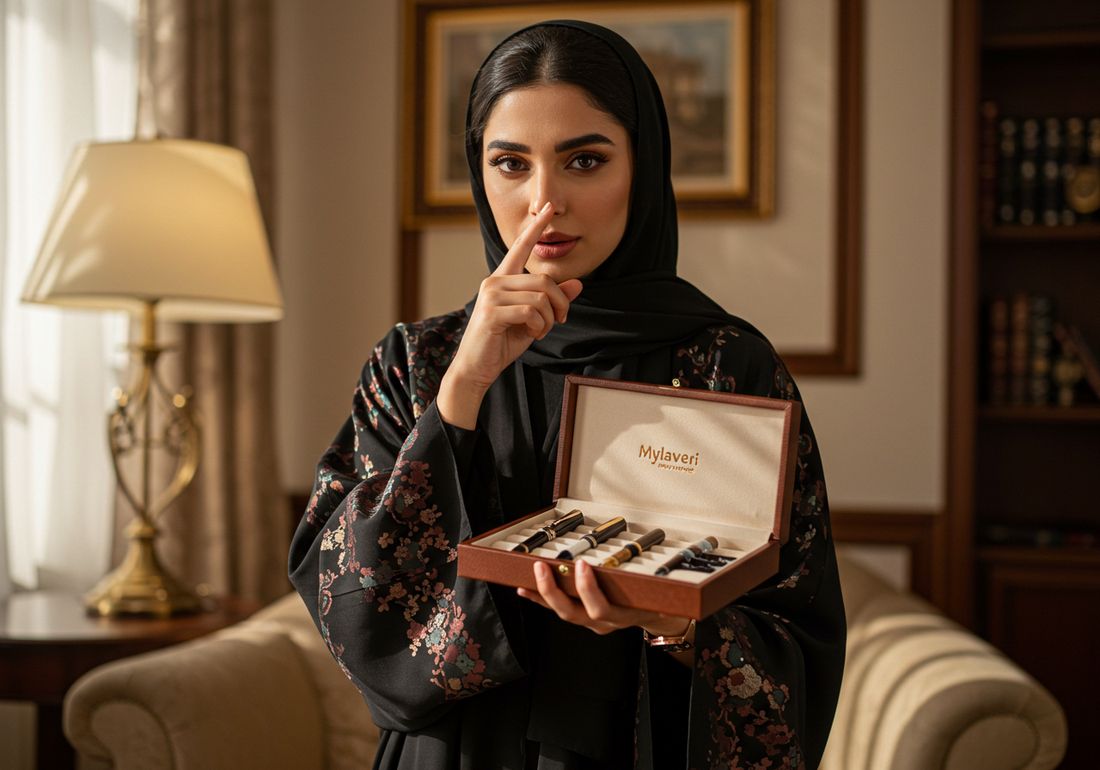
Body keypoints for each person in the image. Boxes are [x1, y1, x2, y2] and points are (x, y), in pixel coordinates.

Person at [289, 20, 845, 770]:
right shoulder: (415, 365)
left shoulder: (727, 367)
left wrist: (673, 624)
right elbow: (351, 606)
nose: (543, 202)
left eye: (584, 160)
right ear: (479, 177)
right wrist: (465, 386)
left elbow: (795, 644)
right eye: (510, 163)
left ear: (642, 168)